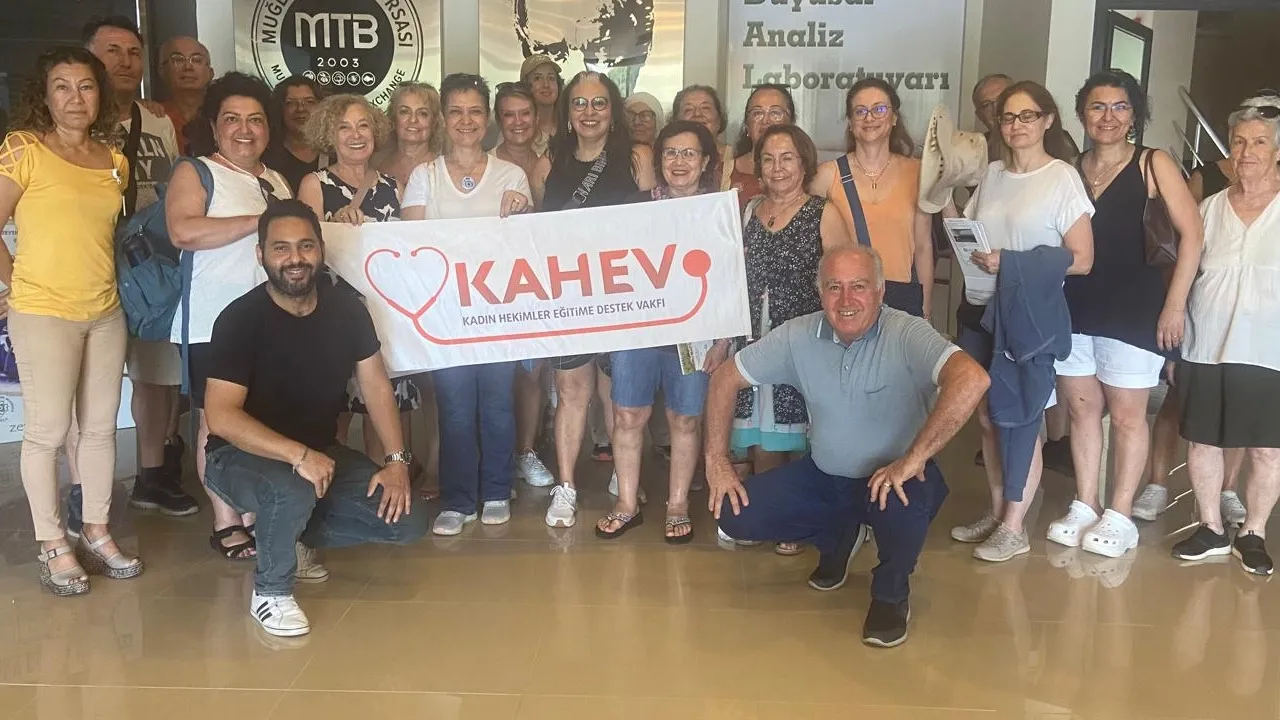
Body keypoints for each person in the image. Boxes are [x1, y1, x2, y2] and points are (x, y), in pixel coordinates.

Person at [708, 245, 989, 647]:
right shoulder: (798, 335)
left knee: (899, 506)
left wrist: (914, 458)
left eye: (858, 286)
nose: (846, 300)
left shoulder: (907, 332)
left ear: (879, 291)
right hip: (826, 475)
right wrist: (716, 461)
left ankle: (891, 595)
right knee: (733, 513)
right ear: (820, 292)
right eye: (834, 287)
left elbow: (972, 379)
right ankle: (839, 536)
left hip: (894, 480)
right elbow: (724, 378)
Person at [203, 199, 427, 637]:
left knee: (407, 519)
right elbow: (221, 416)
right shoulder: (239, 320)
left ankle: (292, 533)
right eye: (281, 248)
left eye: (306, 246)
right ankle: (271, 592)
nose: (295, 258)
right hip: (236, 458)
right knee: (290, 487)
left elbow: (376, 386)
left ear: (321, 250)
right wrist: (298, 455)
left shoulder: (347, 309)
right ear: (261, 255)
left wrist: (397, 462)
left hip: (321, 453)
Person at [0, 47, 140, 595]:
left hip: (105, 311)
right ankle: (52, 543)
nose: (75, 98)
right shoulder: (23, 149)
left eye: (86, 86)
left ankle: (96, 532)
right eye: (62, 86)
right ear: (45, 94)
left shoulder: (114, 161)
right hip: (44, 312)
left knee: (99, 429)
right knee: (48, 431)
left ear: (99, 95)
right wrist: (14, 285)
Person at [1047, 70, 1203, 558]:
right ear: (1082, 114)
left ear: (1134, 115)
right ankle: (1085, 502)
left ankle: (1120, 513)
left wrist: (1175, 304)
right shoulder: (1069, 169)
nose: (1108, 117)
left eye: (1120, 107)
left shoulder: (1153, 164)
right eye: (1098, 106)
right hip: (1075, 306)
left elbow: (1193, 235)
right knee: (1081, 409)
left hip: (1136, 308)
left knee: (1129, 415)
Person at [946, 81, 1094, 562]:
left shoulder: (1062, 178)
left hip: (1026, 316)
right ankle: (997, 513)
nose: (1016, 126)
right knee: (988, 419)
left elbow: (1082, 259)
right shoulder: (991, 174)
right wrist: (939, 192)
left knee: (1022, 418)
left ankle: (1015, 526)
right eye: (1008, 117)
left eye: (1027, 116)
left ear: (1047, 120)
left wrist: (1009, 261)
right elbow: (967, 232)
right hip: (979, 310)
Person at [167, 72, 292, 561]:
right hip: (212, 323)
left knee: (262, 419)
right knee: (216, 423)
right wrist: (261, 222)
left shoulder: (275, 179)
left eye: (255, 120)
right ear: (214, 126)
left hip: (272, 324)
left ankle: (257, 513)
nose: (245, 130)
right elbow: (183, 231)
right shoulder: (196, 171)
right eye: (232, 119)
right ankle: (225, 521)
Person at [79, 15, 198, 522]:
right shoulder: (76, 121)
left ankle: (154, 474)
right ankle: (85, 488)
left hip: (150, 265)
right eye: (112, 51)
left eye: (132, 53)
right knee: (91, 380)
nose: (124, 62)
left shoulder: (158, 121)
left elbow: (175, 187)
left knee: (156, 373)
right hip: (91, 262)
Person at [402, 74, 532, 535]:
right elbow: (413, 243)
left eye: (475, 111)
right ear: (443, 118)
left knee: (497, 405)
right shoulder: (425, 176)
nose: (465, 120)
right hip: (448, 315)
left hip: (498, 313)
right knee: (455, 408)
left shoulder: (511, 176)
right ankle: (458, 500)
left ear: (488, 118)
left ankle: (496, 490)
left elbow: (528, 246)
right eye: (455, 111)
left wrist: (524, 209)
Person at [532, 70, 656, 529]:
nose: (589, 112)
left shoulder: (638, 158)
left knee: (618, 391)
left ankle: (624, 477)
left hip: (625, 293)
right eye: (580, 103)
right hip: (569, 295)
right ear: (567, 111)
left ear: (613, 110)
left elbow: (654, 226)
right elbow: (536, 234)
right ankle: (566, 485)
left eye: (599, 103)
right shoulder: (548, 164)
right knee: (571, 391)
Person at [599, 120, 731, 542]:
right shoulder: (634, 206)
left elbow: (730, 280)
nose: (679, 161)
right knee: (628, 416)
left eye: (689, 153)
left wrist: (723, 341)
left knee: (685, 418)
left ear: (706, 161)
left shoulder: (720, 213)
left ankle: (677, 504)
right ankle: (626, 503)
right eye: (671, 153)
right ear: (659, 161)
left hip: (695, 334)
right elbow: (609, 267)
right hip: (637, 331)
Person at [1171, 95, 1280, 576]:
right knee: (1203, 442)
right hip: (1206, 343)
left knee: (1267, 448)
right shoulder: (1208, 208)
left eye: (1260, 142)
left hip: (1269, 350)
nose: (1247, 151)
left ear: (1277, 151)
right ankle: (1211, 527)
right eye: (1239, 142)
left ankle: (1253, 532)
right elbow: (1186, 271)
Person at [730, 124, 848, 555]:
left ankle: (803, 518)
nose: (777, 167)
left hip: (806, 337)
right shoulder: (750, 211)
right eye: (768, 159)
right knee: (764, 431)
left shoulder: (823, 212)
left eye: (787, 158)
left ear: (804, 164)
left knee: (803, 432)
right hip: (754, 337)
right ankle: (771, 513)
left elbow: (842, 278)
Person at [297, 94, 421, 466]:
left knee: (384, 411)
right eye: (344, 127)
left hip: (387, 315)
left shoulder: (394, 186)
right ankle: (329, 487)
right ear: (329, 135)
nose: (355, 135)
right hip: (334, 316)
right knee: (333, 413)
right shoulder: (314, 184)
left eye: (363, 125)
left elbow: (410, 251)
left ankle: (386, 486)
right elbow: (304, 250)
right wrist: (332, 224)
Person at [1140, 150, 1247, 525]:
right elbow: (1178, 238)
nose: (1249, 149)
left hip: (1248, 309)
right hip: (1201, 299)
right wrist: (1177, 302)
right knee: (1177, 396)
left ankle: (1228, 490)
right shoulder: (1206, 178)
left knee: (1237, 403)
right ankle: (1157, 484)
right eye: (1242, 139)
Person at [810, 78, 933, 318]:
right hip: (847, 300)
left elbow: (923, 247)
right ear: (850, 122)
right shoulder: (827, 175)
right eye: (860, 111)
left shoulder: (918, 172)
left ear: (894, 117)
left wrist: (925, 309)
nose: (869, 118)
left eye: (879, 109)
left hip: (902, 299)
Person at [726, 84, 794, 211]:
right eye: (757, 113)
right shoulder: (723, 173)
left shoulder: (807, 172)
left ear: (791, 122)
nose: (766, 121)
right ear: (747, 125)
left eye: (775, 113)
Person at [378, 81, 443, 191]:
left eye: (422, 113)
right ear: (393, 118)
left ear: (434, 121)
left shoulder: (445, 170)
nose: (413, 120)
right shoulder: (376, 164)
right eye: (404, 112)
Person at [265, 75, 322, 194]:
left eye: (309, 102)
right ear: (280, 109)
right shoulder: (266, 157)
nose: (300, 109)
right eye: (290, 103)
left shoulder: (336, 152)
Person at [158, 35, 213, 154]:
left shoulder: (221, 116)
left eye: (197, 60)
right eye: (178, 60)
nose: (188, 67)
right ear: (162, 71)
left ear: (210, 73)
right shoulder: (152, 116)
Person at [520, 54, 561, 158]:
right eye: (537, 78)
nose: (546, 84)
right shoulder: (518, 128)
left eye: (551, 78)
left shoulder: (570, 125)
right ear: (525, 85)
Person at [972, 73, 1013, 160]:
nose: (996, 108)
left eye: (1002, 99)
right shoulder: (975, 150)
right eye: (986, 105)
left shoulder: (1040, 141)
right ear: (980, 116)